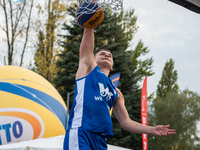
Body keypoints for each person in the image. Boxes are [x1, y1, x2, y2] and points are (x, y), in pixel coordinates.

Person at [63, 28, 176, 150]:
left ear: (112, 67)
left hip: (100, 140)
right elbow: (87, 47)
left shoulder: (116, 93)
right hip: (81, 131)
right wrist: (89, 26)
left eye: (110, 56)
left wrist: (152, 129)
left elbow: (126, 122)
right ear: (93, 60)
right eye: (102, 54)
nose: (107, 55)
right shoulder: (87, 71)